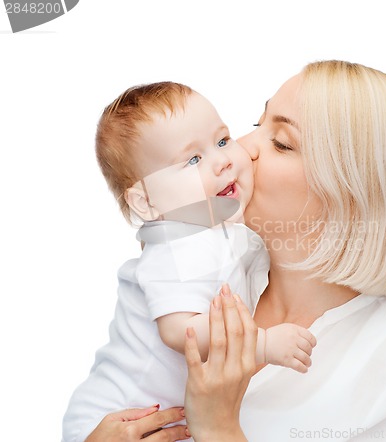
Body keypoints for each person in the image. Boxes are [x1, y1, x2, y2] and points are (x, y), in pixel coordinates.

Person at [86, 59, 386, 441]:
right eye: (258, 124)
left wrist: (219, 427)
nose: (242, 149)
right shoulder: (215, 263)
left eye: (281, 142)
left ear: (353, 195)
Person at [62, 82, 317, 442]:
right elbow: (180, 331)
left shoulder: (220, 230)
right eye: (193, 160)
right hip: (115, 417)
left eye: (223, 140)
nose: (223, 160)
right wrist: (263, 344)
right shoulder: (178, 246)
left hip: (167, 419)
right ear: (146, 202)